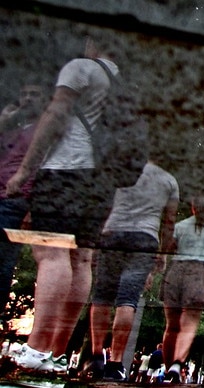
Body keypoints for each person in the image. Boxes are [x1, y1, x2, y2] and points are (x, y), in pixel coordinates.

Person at [6, 31, 119, 373]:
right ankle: (56, 351)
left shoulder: (80, 68)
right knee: (81, 258)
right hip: (102, 181)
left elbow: (55, 117)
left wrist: (25, 169)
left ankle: (38, 347)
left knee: (51, 252)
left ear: (91, 38)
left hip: (65, 172)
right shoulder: (121, 79)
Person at [83, 160, 179, 381]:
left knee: (102, 297)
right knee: (127, 300)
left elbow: (103, 205)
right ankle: (116, 363)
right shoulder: (169, 180)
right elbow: (170, 221)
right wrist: (162, 255)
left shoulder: (121, 169)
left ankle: (97, 355)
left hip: (112, 233)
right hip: (145, 238)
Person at [160, 195, 204, 383]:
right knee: (189, 321)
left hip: (177, 269)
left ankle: (168, 369)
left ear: (193, 208)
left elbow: (170, 246)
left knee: (171, 325)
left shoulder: (180, 226)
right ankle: (177, 363)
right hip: (201, 269)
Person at [0, 81, 48, 311]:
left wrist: (31, 208)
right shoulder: (10, 128)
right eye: (24, 94)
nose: (28, 98)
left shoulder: (44, 129)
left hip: (15, 201)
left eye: (34, 94)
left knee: (3, 262)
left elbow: (44, 170)